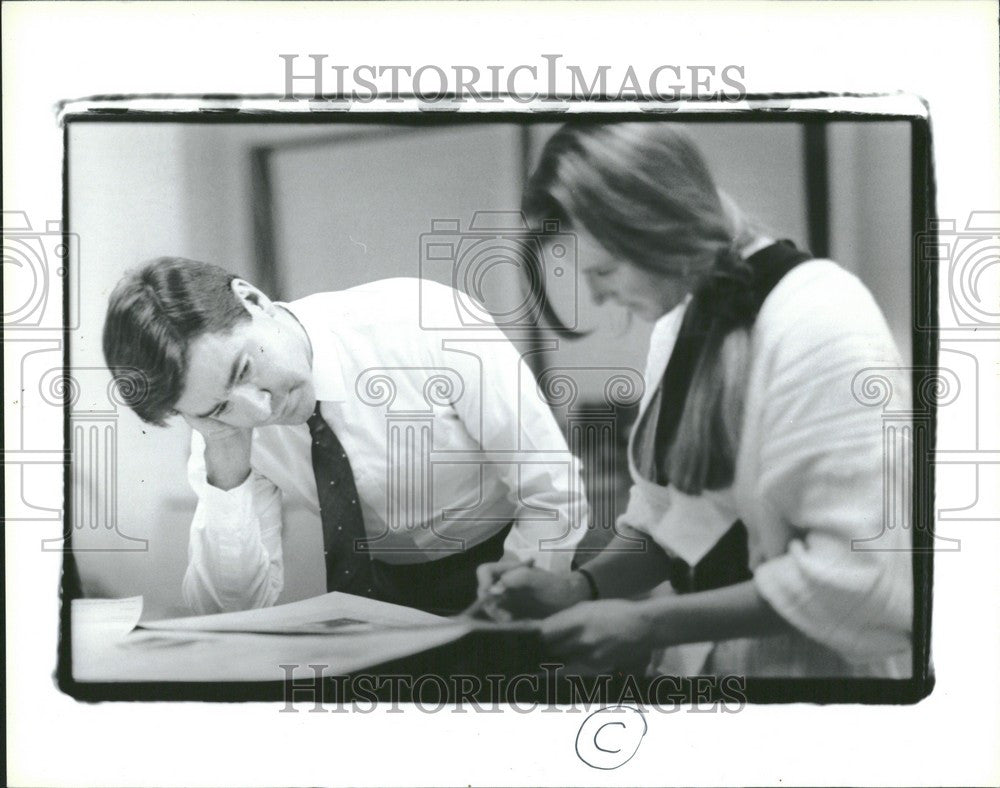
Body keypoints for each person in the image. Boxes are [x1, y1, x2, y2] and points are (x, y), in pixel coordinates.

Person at [474, 122, 914, 677]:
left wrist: (652, 624)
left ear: (656, 227)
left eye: (603, 270)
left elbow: (866, 580)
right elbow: (671, 518)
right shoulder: (680, 327)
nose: (596, 295)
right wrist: (577, 586)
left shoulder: (820, 317)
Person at [102, 260, 587, 615]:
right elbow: (231, 605)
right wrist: (226, 447)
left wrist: (511, 605)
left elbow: (553, 493)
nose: (259, 409)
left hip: (528, 557)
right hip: (389, 593)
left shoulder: (425, 319)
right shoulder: (226, 429)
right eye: (219, 407)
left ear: (253, 300)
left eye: (246, 369)